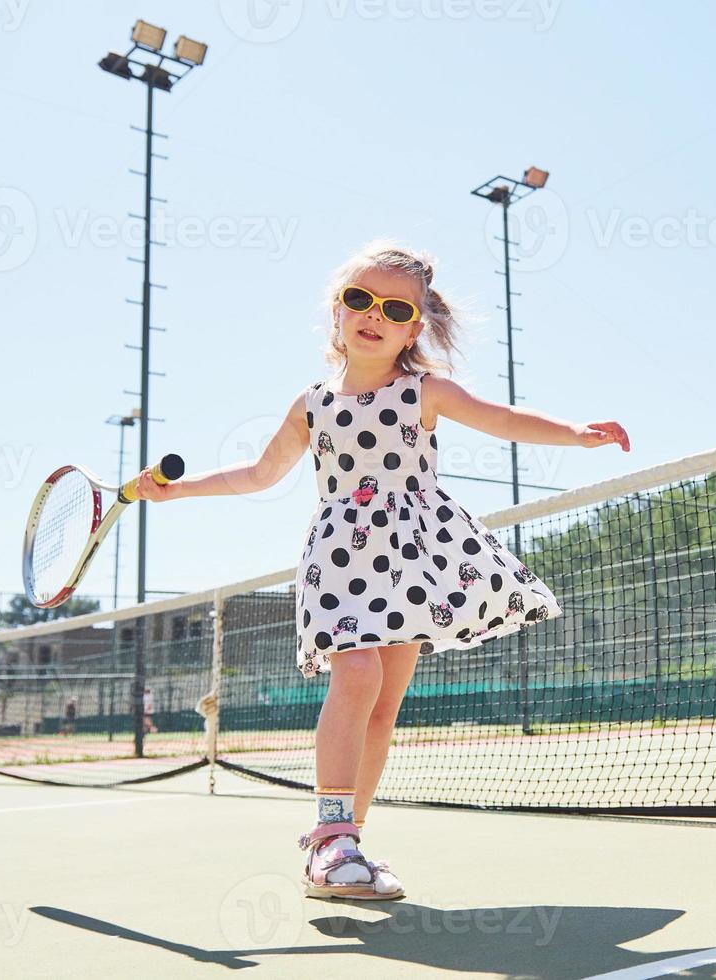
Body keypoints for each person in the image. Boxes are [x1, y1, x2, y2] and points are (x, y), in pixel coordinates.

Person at [133, 242, 630, 901]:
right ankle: (331, 834)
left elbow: (502, 419)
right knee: (357, 673)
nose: (374, 314)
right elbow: (259, 473)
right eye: (359, 299)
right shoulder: (310, 404)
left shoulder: (426, 390)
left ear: (413, 327)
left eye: (394, 308)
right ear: (336, 312)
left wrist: (575, 433)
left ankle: (346, 844)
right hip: (340, 556)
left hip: (414, 557)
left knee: (383, 706)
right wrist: (180, 489)